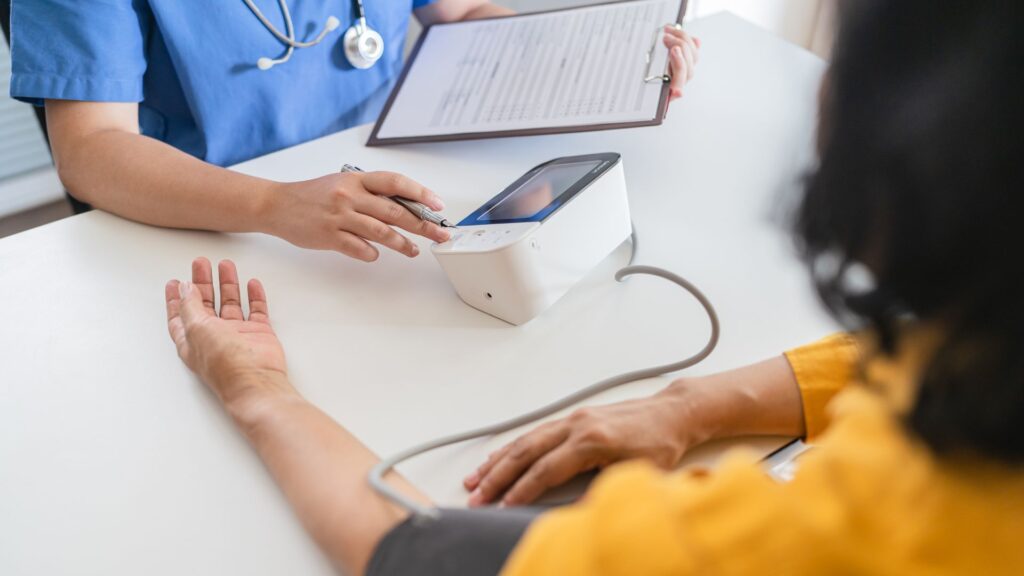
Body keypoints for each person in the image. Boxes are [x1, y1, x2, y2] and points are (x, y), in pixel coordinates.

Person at [163, 0, 1024, 574]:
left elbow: (414, 552)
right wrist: (690, 405)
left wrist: (258, 389)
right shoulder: (983, 347)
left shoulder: (844, 534)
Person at [8, 0, 699, 262]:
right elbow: (91, 151)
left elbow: (463, 14)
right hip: (214, 223)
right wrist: (272, 205)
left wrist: (595, 58)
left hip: (388, 190)